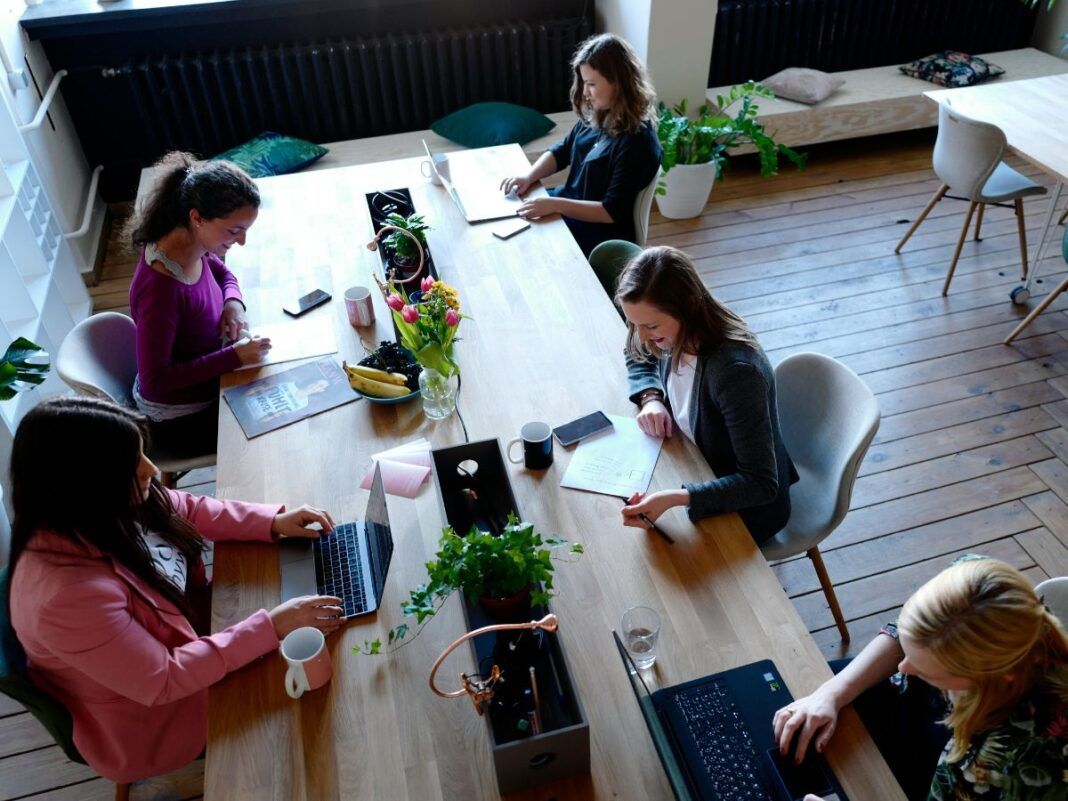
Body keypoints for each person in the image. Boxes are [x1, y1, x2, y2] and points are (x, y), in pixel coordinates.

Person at [7, 397, 342, 783]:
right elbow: (163, 678)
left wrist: (272, 522)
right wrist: (271, 626)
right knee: (322, 724)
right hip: (159, 717)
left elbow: (186, 507)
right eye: (133, 463)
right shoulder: (65, 598)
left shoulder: (97, 507)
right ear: (87, 481)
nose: (152, 469)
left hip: (199, 631)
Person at [774, 557, 1068, 801]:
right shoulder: (972, 585)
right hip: (906, 715)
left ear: (982, 677)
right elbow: (903, 634)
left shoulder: (1019, 766)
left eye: (926, 669)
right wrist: (831, 693)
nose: (903, 666)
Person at [616, 245, 797, 544]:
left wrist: (678, 497)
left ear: (687, 306)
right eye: (635, 323)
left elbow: (760, 484)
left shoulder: (735, 373)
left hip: (747, 507)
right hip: (694, 460)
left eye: (650, 326)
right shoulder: (670, 327)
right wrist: (651, 398)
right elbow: (636, 349)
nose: (643, 334)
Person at [126, 152, 272, 458]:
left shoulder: (190, 243)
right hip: (181, 420)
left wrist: (233, 302)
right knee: (276, 428)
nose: (242, 241)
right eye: (234, 230)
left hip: (211, 377)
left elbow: (220, 271)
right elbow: (157, 380)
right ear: (197, 217)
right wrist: (232, 357)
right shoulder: (160, 289)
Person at [500, 33, 662, 256]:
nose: (585, 93)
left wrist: (555, 205)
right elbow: (562, 151)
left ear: (618, 81)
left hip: (599, 232)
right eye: (584, 83)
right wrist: (529, 176)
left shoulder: (638, 142)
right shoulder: (598, 114)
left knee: (525, 242)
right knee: (510, 214)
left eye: (591, 84)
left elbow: (610, 212)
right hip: (569, 206)